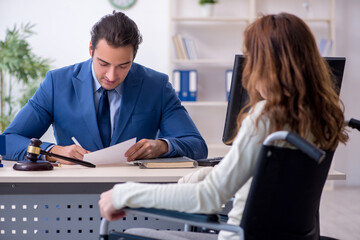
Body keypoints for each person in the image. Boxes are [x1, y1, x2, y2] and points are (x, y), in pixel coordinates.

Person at [98, 12, 348, 240]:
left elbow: (208, 197)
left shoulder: (267, 116)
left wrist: (123, 194)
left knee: (130, 234)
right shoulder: (325, 116)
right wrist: (202, 176)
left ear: (267, 66)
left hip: (236, 237)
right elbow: (259, 178)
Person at [2, 11, 207, 163]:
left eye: (123, 66)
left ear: (133, 57)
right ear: (91, 49)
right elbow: (7, 141)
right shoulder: (57, 83)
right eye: (103, 63)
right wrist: (52, 151)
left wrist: (163, 146)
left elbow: (197, 145)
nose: (111, 76)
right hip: (70, 199)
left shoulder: (156, 86)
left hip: (135, 198)